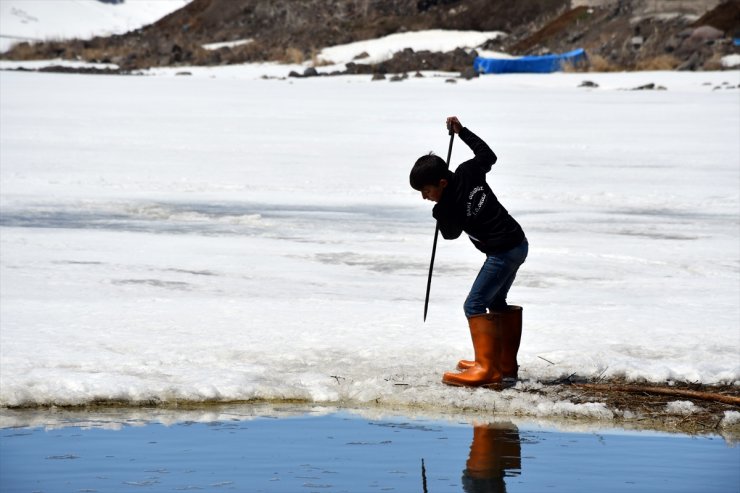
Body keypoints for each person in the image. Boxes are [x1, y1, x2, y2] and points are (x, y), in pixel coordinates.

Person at [410, 116, 528, 387]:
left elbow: (450, 233)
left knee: (473, 304)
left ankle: (487, 370)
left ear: (441, 182)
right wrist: (462, 132)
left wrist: (439, 213)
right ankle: (503, 364)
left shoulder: (448, 203)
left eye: (426, 191)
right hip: (518, 244)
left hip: (503, 252)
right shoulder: (467, 171)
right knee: (496, 302)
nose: (424, 196)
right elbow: (488, 155)